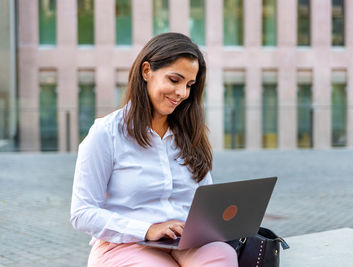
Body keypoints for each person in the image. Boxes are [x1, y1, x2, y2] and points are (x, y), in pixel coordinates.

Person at [70, 32, 238, 267]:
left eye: (189, 85)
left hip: (184, 243)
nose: (182, 93)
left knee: (222, 254)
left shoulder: (190, 135)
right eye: (174, 80)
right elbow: (82, 213)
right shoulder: (106, 133)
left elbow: (204, 203)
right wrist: (147, 229)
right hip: (124, 244)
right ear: (147, 71)